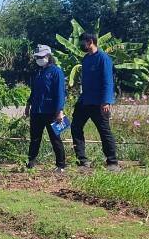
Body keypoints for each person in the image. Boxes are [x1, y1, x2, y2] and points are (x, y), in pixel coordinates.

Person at [72, 32, 120, 170]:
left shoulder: (103, 58)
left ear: (90, 41)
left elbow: (108, 81)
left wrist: (106, 101)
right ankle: (82, 161)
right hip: (85, 100)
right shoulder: (86, 59)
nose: (81, 45)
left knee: (104, 131)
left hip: (99, 102)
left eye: (83, 43)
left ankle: (112, 162)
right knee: (75, 127)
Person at [24, 44, 67, 171]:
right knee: (35, 138)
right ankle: (30, 163)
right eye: (37, 57)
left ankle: (60, 165)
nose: (38, 59)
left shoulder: (56, 72)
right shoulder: (38, 72)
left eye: (41, 56)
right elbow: (34, 91)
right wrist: (28, 105)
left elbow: (60, 93)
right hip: (37, 110)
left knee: (55, 139)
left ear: (48, 56)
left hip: (51, 112)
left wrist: (59, 111)